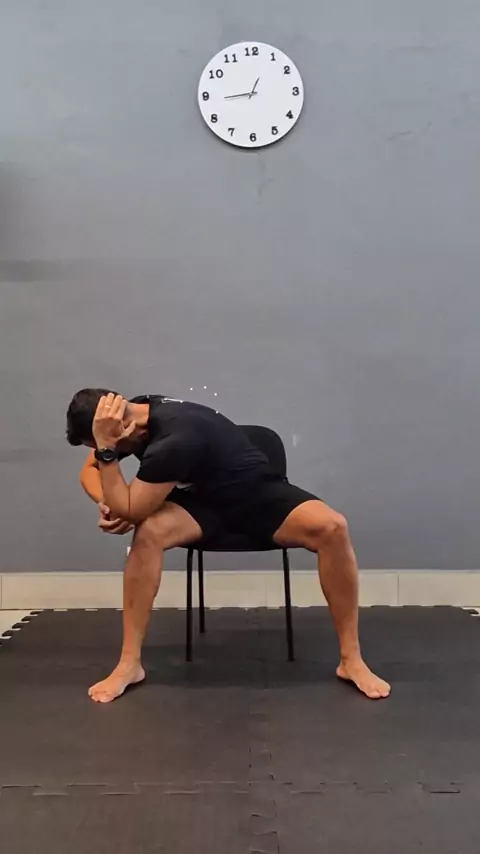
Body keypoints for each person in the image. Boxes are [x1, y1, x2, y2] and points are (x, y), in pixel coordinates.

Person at [66, 389, 391, 704]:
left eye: (102, 444)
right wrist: (106, 500)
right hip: (201, 504)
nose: (102, 452)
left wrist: (108, 453)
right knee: (149, 533)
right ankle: (129, 664)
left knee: (333, 527)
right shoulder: (136, 413)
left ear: (119, 427)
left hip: (257, 497)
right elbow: (90, 472)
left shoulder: (173, 440)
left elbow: (130, 509)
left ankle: (351, 660)